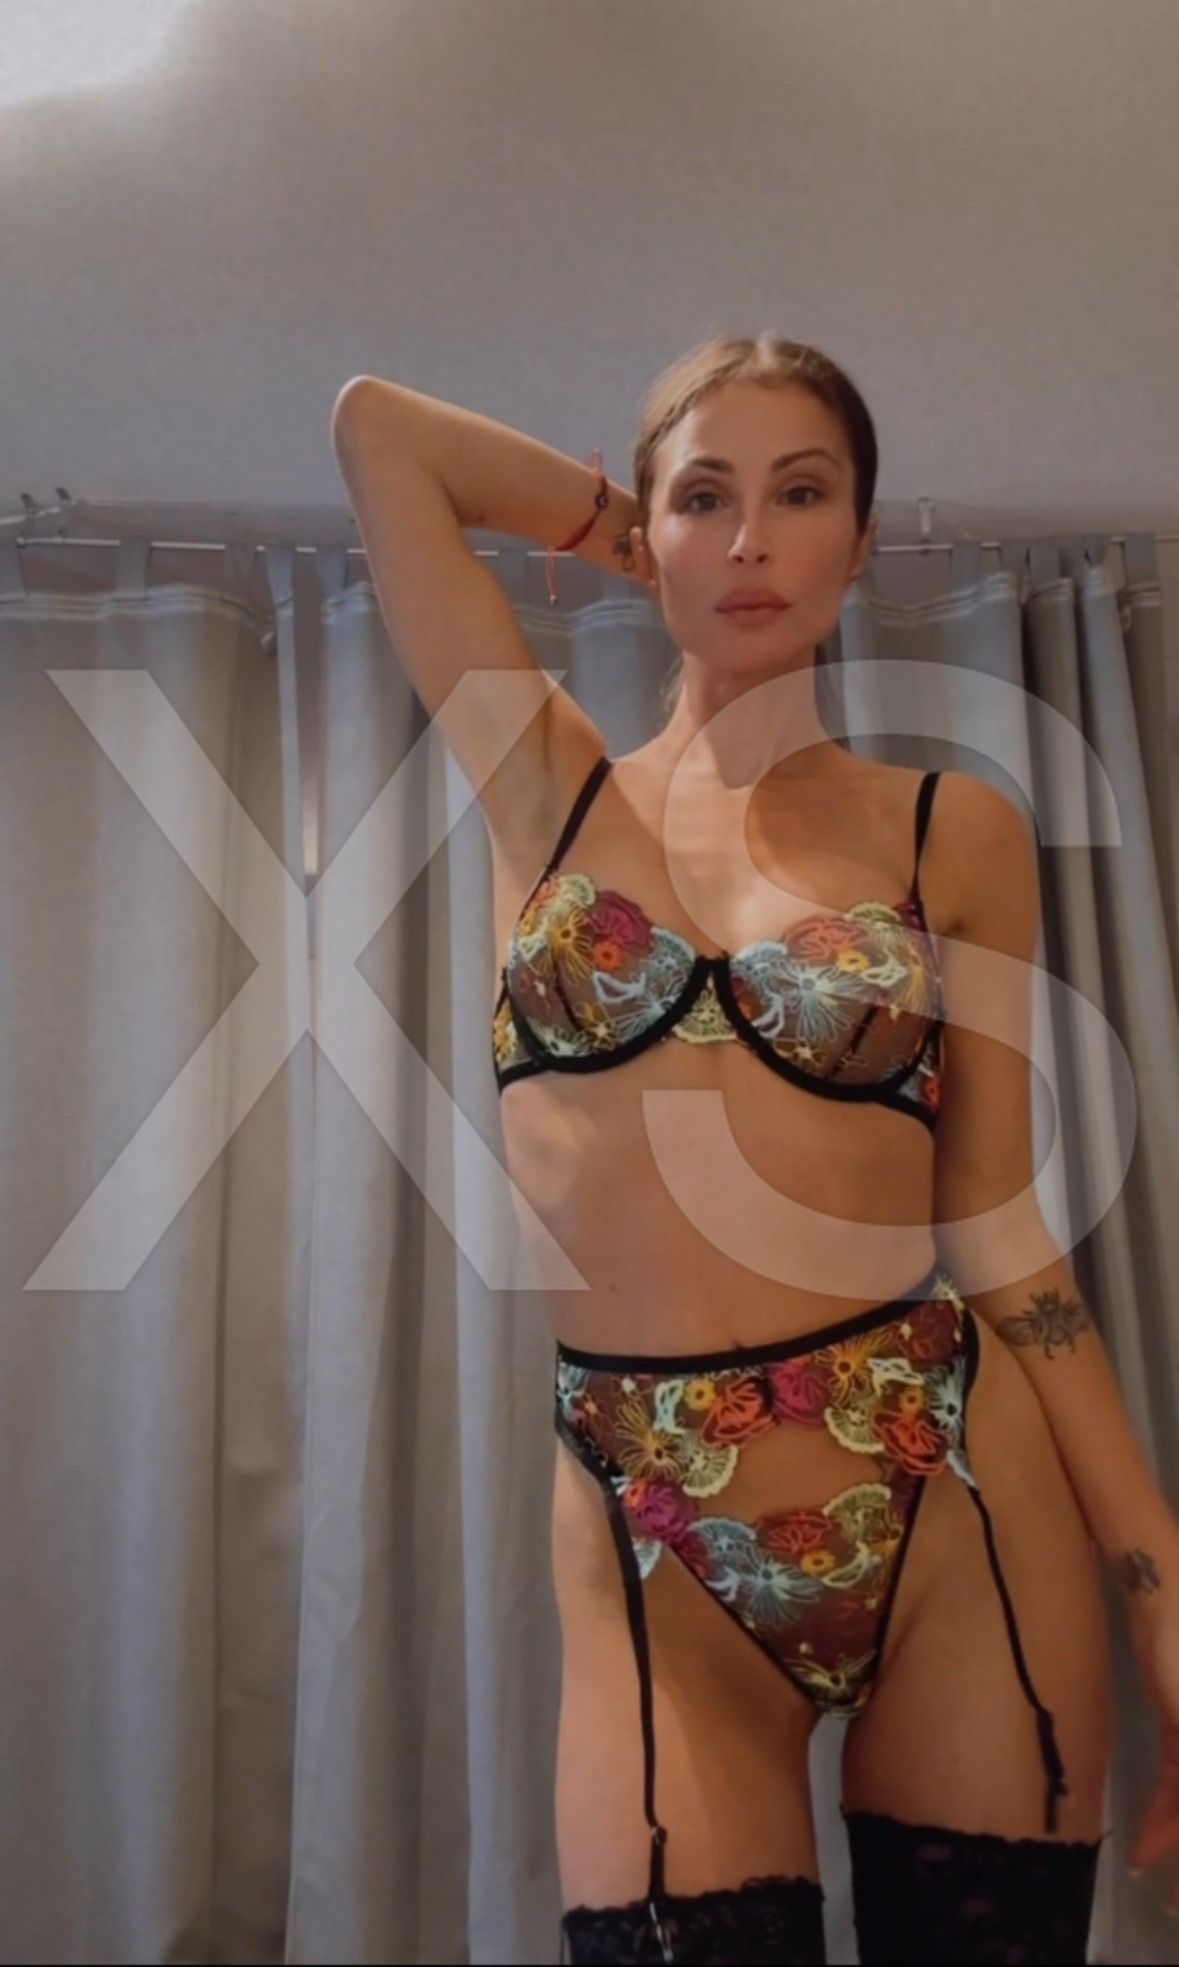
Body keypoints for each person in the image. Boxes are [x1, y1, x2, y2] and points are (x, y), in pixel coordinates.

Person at [330, 338, 1179, 1964]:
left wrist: (1163, 1581)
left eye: (801, 497)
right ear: (650, 531)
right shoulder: (546, 788)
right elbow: (381, 435)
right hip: (650, 1530)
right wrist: (629, 530)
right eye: (706, 499)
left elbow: (1002, 1229)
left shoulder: (953, 831)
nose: (752, 541)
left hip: (954, 1494)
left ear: (861, 539)